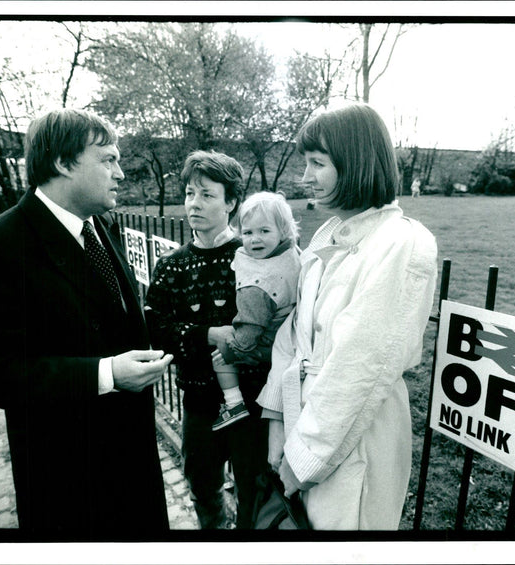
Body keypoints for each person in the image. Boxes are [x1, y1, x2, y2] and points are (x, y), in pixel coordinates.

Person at [0, 109, 173, 540]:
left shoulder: (99, 226)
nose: (121, 173)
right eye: (108, 159)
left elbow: (113, 320)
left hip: (133, 463)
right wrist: (106, 374)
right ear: (64, 163)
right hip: (70, 480)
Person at [257, 103, 439, 530]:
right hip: (304, 420)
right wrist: (279, 421)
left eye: (317, 163)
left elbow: (359, 369)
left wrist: (301, 462)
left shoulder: (401, 243)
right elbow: (294, 338)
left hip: (353, 439)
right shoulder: (330, 235)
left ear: (355, 163)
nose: (304, 177)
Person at [145, 150, 269, 529]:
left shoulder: (254, 258)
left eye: (207, 195)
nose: (194, 204)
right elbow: (155, 329)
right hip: (198, 403)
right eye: (188, 193)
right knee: (202, 487)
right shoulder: (172, 265)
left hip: (252, 402)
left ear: (231, 202)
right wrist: (208, 334)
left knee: (253, 491)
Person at [209, 191, 302, 431]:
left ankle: (234, 404)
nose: (254, 240)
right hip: (288, 336)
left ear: (283, 231)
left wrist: (233, 351)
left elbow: (249, 328)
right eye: (248, 232)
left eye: (264, 231)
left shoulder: (257, 285)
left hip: (264, 344)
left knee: (219, 354)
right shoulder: (290, 254)